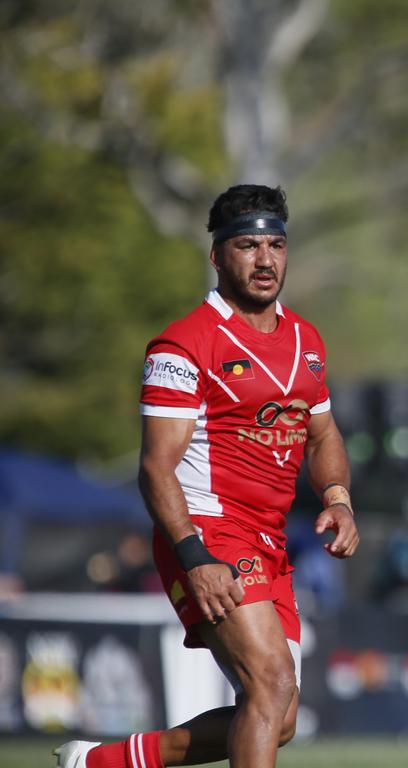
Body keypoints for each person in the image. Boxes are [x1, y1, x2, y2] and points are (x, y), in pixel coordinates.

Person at [55, 184, 359, 768]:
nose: (265, 260)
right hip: (207, 532)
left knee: (280, 715)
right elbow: (155, 468)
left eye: (276, 245)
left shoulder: (307, 341)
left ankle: (100, 764)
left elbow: (322, 435)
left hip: (270, 541)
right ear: (218, 255)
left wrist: (339, 498)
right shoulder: (184, 343)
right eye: (248, 245)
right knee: (270, 688)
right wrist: (194, 555)